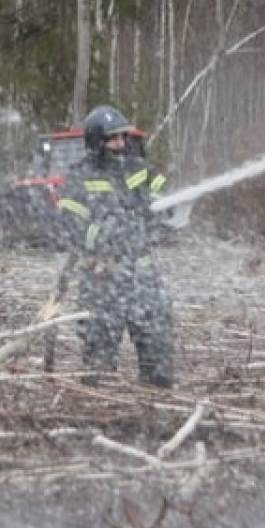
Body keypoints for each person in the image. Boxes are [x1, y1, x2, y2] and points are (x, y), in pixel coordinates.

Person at [56, 104, 175, 388]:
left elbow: (165, 196)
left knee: (158, 352)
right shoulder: (79, 177)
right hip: (102, 280)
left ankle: (156, 404)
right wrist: (103, 233)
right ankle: (99, 411)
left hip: (143, 279)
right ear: (97, 142)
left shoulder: (139, 169)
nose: (120, 144)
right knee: (98, 362)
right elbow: (69, 226)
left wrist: (156, 210)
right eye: (113, 139)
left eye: (123, 138)